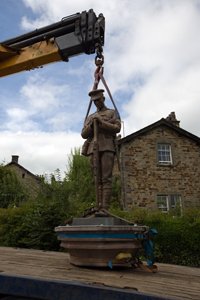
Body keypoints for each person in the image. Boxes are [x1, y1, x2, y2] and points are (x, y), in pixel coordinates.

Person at [81, 89, 121, 210]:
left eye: (98, 100)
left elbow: (117, 128)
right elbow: (83, 134)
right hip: (94, 148)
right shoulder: (90, 117)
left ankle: (105, 207)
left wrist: (101, 122)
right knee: (96, 178)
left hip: (107, 146)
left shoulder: (112, 113)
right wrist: (92, 125)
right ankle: (98, 206)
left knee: (106, 178)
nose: (96, 103)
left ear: (103, 99)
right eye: (94, 102)